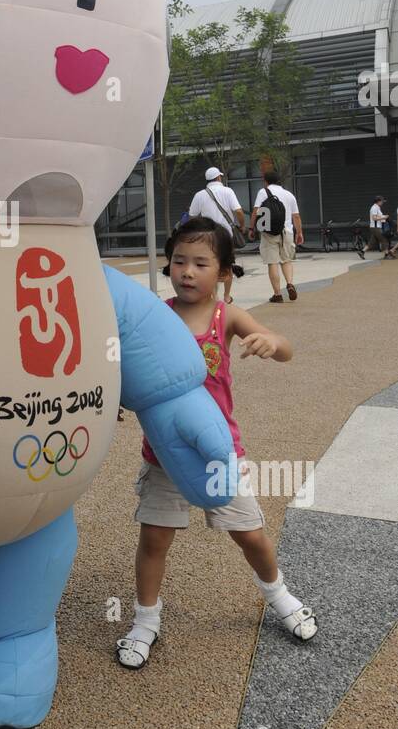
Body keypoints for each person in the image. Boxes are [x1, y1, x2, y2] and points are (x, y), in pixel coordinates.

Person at [116, 217, 317, 670]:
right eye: (179, 261)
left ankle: (278, 595)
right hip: (163, 456)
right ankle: (145, 620)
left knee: (250, 534)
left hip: (219, 453)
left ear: (224, 272)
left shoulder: (227, 317)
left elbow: (286, 348)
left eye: (201, 263)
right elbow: (123, 362)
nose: (187, 271)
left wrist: (270, 340)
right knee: (154, 539)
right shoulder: (158, 317)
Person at [187, 168, 245, 304]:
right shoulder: (228, 191)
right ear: (219, 177)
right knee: (227, 265)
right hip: (226, 236)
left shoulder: (199, 195)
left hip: (208, 237)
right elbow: (239, 211)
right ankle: (226, 296)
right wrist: (242, 225)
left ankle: (213, 296)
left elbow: (192, 216)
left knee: (210, 266)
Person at [248, 170, 302, 302]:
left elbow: (256, 211)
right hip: (287, 231)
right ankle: (289, 283)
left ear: (265, 181)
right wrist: (299, 232)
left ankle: (277, 294)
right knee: (286, 260)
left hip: (269, 232)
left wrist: (251, 228)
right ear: (279, 180)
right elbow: (296, 216)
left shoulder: (263, 192)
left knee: (272, 263)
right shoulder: (289, 195)